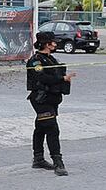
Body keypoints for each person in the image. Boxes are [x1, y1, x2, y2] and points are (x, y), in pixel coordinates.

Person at [26, 31, 75, 176]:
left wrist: (63, 79)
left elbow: (56, 74)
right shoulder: (36, 61)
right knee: (52, 128)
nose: (55, 44)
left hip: (52, 99)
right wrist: (62, 79)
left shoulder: (51, 59)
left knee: (41, 127)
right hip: (41, 100)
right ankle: (58, 162)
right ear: (47, 44)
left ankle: (38, 159)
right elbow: (42, 77)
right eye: (53, 42)